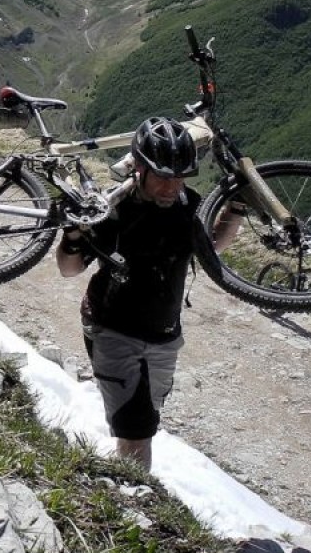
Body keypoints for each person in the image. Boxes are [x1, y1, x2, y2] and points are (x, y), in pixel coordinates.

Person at [56, 116, 243, 472]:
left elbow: (212, 245)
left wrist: (237, 207)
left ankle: (126, 483)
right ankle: (135, 496)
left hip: (165, 336)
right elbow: (69, 269)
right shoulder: (113, 210)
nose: (172, 186)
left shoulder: (190, 205)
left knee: (147, 416)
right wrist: (74, 234)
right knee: (137, 426)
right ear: (139, 168)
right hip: (113, 329)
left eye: (179, 176)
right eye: (162, 176)